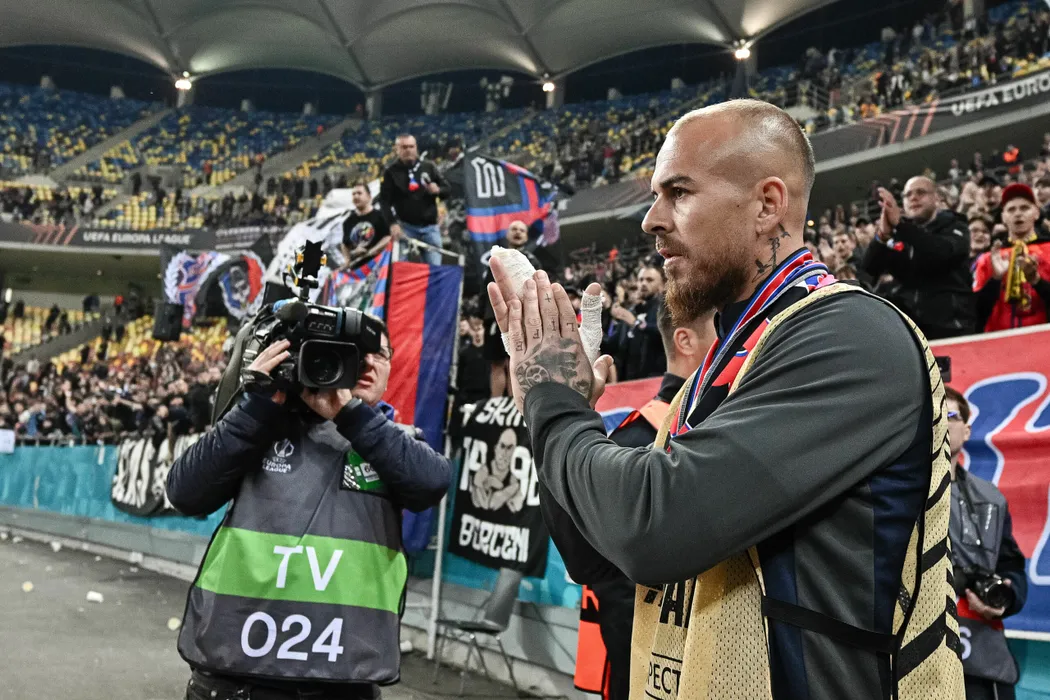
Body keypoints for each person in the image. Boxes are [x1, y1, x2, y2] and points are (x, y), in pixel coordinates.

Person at [487, 99, 963, 699]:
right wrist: (563, 406)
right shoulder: (711, 375)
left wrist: (552, 400)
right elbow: (595, 558)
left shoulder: (853, 337)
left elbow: (652, 528)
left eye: (679, 192)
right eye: (655, 196)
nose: (651, 220)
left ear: (767, 205)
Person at [167, 328, 451, 700]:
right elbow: (185, 493)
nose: (367, 362)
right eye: (353, 351)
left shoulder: (397, 441)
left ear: (389, 368)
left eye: (378, 353)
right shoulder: (261, 424)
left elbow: (431, 482)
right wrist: (256, 404)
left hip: (345, 678)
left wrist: (351, 415)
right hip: (237, 675)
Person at [567, 303, 715, 700]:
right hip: (649, 667)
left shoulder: (635, 435)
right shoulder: (639, 438)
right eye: (725, 327)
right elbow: (598, 570)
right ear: (685, 340)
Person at [944, 386, 1026, 700]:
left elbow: (1011, 565)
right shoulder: (897, 492)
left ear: (966, 430)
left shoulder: (991, 497)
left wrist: (1006, 598)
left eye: (951, 415)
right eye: (934, 414)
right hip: (920, 649)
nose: (942, 421)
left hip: (985, 656)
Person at [860, 175, 974, 338]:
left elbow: (941, 253)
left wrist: (900, 225)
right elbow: (868, 271)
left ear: (936, 198)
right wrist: (883, 235)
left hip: (951, 328)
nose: (913, 198)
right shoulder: (900, 233)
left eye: (921, 192)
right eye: (908, 195)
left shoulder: (956, 225)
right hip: (910, 334)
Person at [974, 183, 1050, 332]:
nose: (1018, 214)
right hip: (999, 339)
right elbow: (976, 311)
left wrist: (1036, 281)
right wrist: (995, 279)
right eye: (1011, 209)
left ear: (1036, 213)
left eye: (1024, 208)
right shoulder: (988, 258)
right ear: (1003, 217)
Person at [483, 220, 542, 398]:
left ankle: (514, 404)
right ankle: (495, 404)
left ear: (526, 236)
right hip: (494, 317)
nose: (517, 232)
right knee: (496, 362)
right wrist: (481, 315)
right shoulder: (495, 259)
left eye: (522, 230)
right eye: (514, 229)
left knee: (515, 361)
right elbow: (485, 289)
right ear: (508, 234)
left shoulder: (532, 261)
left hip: (521, 315)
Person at [379, 134, 450, 266]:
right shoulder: (390, 172)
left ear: (416, 147)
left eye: (411, 146)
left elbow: (447, 190)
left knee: (434, 270)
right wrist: (392, 223)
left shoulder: (429, 166)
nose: (408, 150)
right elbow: (384, 202)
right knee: (401, 268)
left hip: (430, 228)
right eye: (404, 147)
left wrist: (438, 190)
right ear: (397, 149)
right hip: (405, 228)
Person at [610, 264, 666, 380]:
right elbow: (613, 344)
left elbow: (666, 334)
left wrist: (636, 324)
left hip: (654, 379)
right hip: (628, 380)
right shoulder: (631, 311)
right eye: (641, 280)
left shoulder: (666, 309)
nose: (644, 283)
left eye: (649, 280)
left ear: (661, 285)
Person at [340, 181, 391, 269]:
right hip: (358, 270)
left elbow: (388, 237)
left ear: (369, 197)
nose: (356, 196)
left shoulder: (381, 216)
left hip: (380, 266)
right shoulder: (348, 222)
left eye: (359, 193)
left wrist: (371, 251)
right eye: (353, 194)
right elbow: (345, 244)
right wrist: (348, 258)